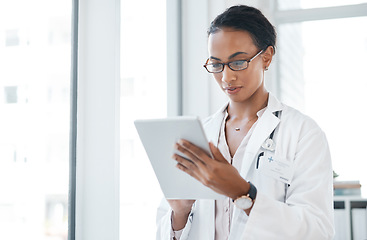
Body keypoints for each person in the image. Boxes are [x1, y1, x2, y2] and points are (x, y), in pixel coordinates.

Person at [156, 4, 334, 240]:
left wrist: (243, 192)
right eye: (217, 64)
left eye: (238, 62)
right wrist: (179, 212)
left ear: (267, 57)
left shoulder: (303, 133)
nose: (227, 77)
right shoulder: (199, 135)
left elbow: (318, 232)